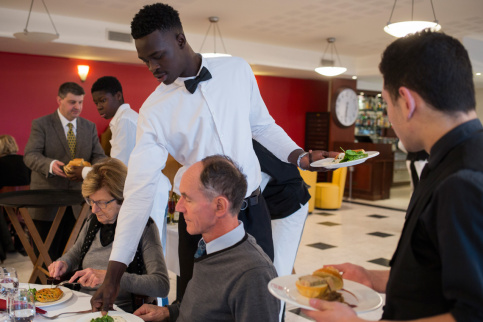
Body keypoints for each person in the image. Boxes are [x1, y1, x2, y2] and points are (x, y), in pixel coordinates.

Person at [91, 2, 336, 312]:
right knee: (197, 309)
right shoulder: (153, 112)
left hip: (252, 211)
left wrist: (299, 157)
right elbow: (138, 191)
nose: (152, 68)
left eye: (157, 56)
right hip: (200, 223)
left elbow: (261, 125)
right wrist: (115, 273)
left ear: (180, 40)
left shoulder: (236, 69)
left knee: (262, 300)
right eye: (145, 61)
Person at [302, 30, 483, 321]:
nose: (389, 115)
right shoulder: (449, 159)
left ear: (407, 102)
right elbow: (437, 268)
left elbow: (472, 314)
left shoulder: (462, 182)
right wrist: (373, 278)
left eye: (386, 103)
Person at [134, 155, 280, 322]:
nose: (179, 207)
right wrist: (168, 312)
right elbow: (207, 308)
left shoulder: (253, 274)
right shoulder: (207, 248)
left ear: (219, 206)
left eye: (187, 199)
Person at [48, 158, 169, 313]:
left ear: (123, 198)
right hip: (81, 305)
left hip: (117, 312)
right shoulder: (94, 221)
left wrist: (112, 277)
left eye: (102, 203)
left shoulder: (144, 227)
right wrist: (63, 263)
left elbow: (161, 285)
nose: (94, 210)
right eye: (91, 201)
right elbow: (76, 253)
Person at [23, 82, 106, 260]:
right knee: (45, 258)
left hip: (79, 203)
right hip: (46, 204)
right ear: (59, 100)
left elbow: (100, 156)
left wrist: (90, 169)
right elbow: (30, 155)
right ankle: (44, 288)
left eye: (81, 102)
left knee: (74, 257)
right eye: (72, 102)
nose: (77, 107)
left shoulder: (89, 126)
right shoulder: (41, 124)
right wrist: (50, 165)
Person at [253, 139, 310, 321]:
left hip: (289, 207)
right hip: (266, 206)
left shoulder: (246, 146)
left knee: (276, 274)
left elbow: (245, 194)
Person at [0, 134, 31, 261]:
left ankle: (6, 243)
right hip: (25, 207)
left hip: (4, 208)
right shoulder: (26, 161)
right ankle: (18, 237)